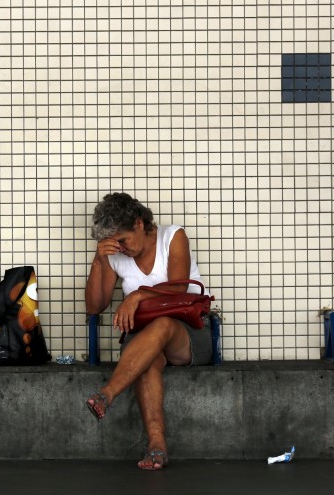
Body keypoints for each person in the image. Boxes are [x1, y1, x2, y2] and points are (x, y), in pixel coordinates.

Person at [84, 192, 213, 471]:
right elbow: (95, 306)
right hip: (143, 340)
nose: (120, 248)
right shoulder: (114, 256)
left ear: (140, 224)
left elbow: (179, 286)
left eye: (123, 239)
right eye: (112, 243)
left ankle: (108, 394)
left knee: (163, 324)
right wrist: (99, 260)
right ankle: (157, 446)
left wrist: (138, 295)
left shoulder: (173, 237)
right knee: (147, 361)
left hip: (188, 333)